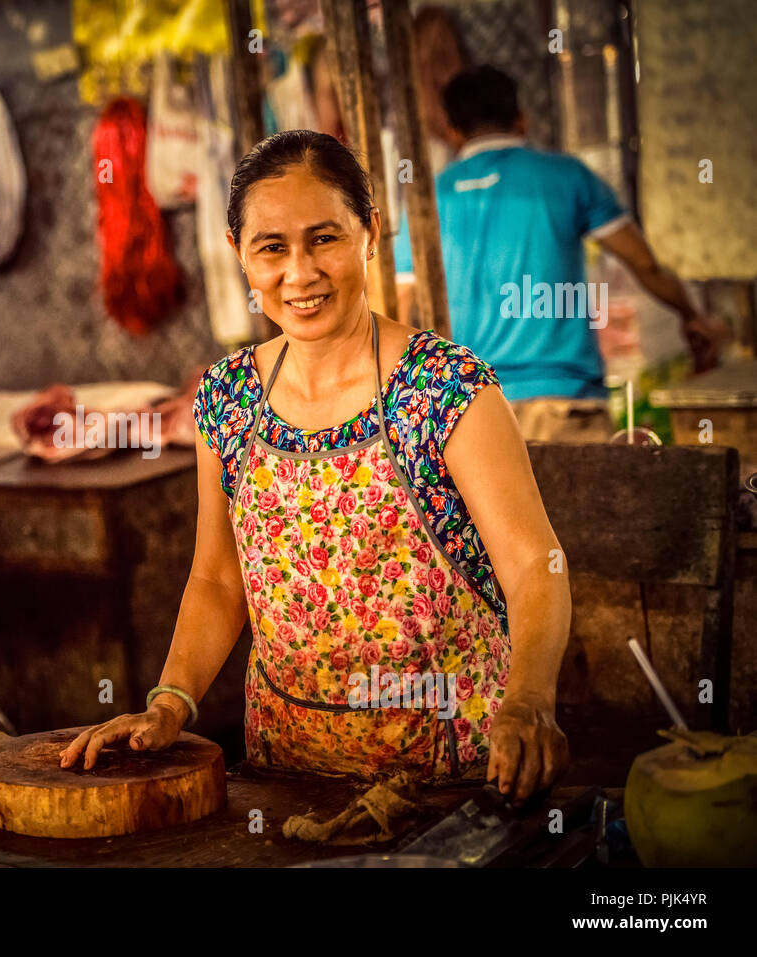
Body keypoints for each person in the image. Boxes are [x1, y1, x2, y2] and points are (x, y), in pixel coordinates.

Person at [62, 130, 571, 804]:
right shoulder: (228, 398)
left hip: (452, 786)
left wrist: (530, 701)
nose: (299, 273)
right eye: (271, 248)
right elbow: (218, 579)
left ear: (370, 233)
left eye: (324, 238)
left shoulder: (445, 388)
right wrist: (170, 703)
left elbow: (536, 566)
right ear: (238, 254)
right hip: (286, 782)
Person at [394, 66, 730, 442]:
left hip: (469, 411)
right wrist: (690, 315)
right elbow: (644, 264)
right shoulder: (567, 177)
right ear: (522, 121)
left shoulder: (432, 195)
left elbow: (399, 302)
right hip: (567, 402)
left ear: (454, 132)